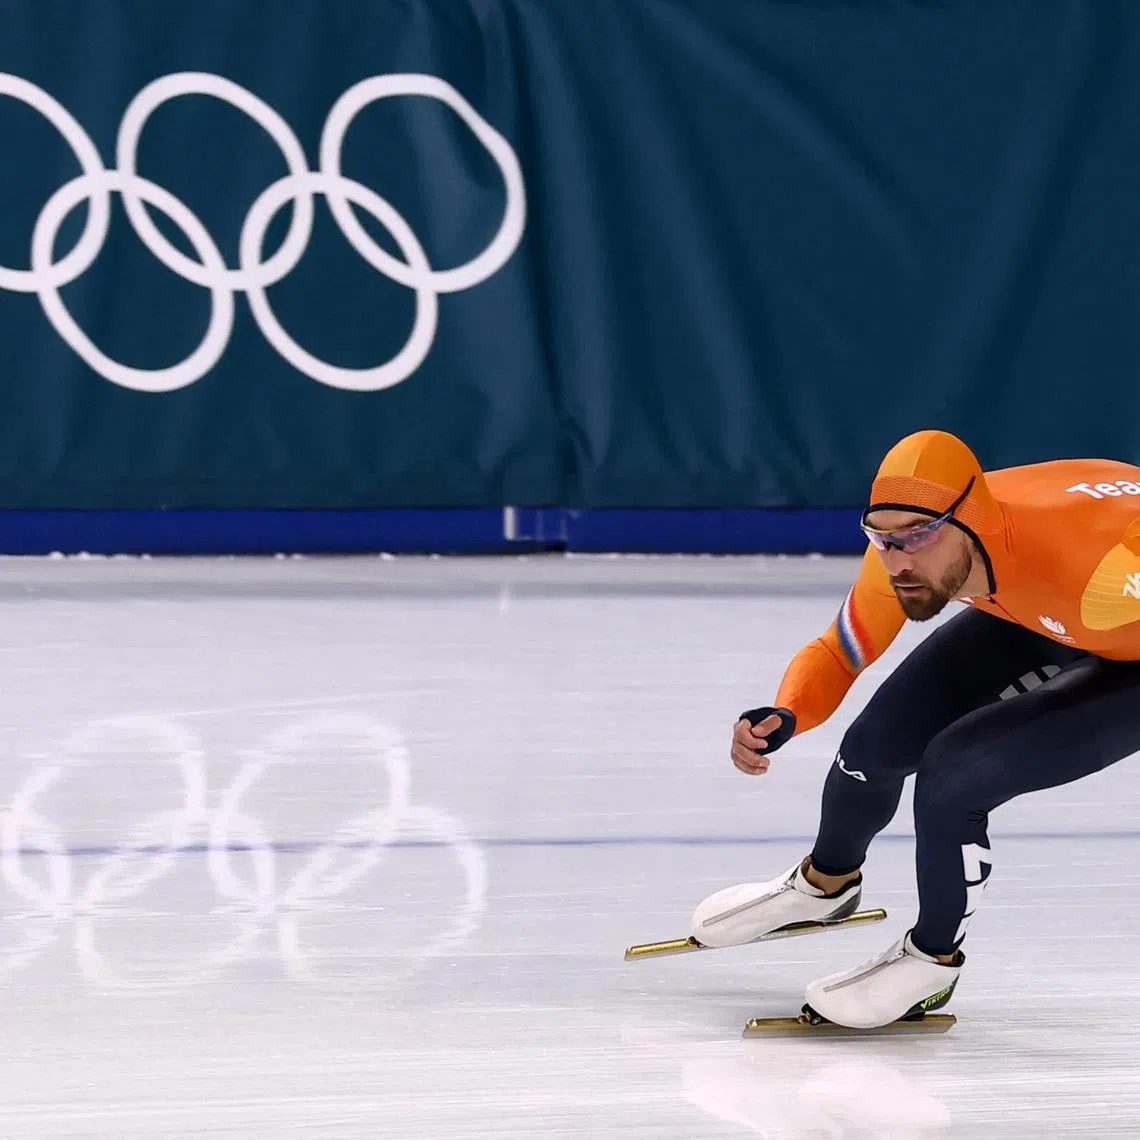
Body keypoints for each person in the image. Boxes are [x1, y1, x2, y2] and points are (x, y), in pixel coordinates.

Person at [692, 429, 1140, 1028]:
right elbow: (841, 649)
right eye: (881, 538)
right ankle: (824, 886)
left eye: (917, 538)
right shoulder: (910, 544)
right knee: (875, 745)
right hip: (1043, 608)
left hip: (1107, 611)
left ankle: (931, 961)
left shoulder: (1105, 565)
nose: (898, 560)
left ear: (971, 521)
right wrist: (790, 711)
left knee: (956, 773)